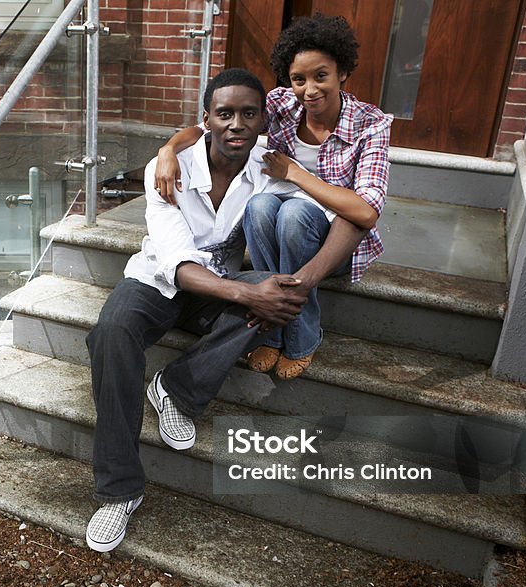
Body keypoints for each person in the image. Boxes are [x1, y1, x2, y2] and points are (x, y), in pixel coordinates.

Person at [85, 68, 308, 553]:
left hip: (220, 286)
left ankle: (175, 388)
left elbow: (328, 215)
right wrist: (169, 147)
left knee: (273, 296)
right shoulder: (169, 168)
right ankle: (119, 492)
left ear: (263, 120)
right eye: (224, 113)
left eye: (249, 114)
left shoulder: (271, 171)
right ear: (206, 119)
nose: (236, 124)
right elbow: (179, 264)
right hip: (159, 278)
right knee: (110, 334)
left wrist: (270, 290)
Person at [154, 14, 392, 381]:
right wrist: (169, 149)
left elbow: (365, 211)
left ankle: (301, 335)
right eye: (299, 79)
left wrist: (296, 173)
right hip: (280, 228)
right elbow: (212, 126)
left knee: (294, 212)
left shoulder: (370, 124)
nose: (309, 90)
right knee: (261, 205)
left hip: (338, 239)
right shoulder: (283, 104)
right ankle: (271, 326)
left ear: (342, 72)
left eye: (320, 76)